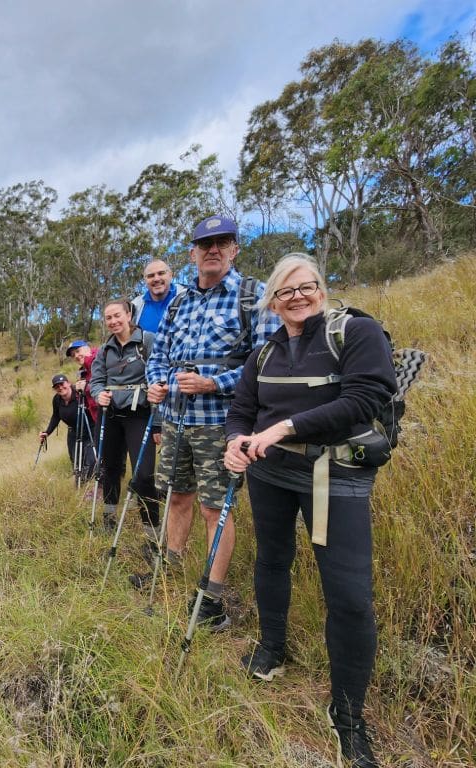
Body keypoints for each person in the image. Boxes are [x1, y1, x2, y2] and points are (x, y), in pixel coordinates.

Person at [224, 253, 395, 768]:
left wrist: (285, 429)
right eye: (285, 291)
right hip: (269, 474)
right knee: (272, 560)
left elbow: (366, 397)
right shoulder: (264, 354)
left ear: (321, 288)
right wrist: (235, 442)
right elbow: (242, 411)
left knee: (349, 595)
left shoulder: (356, 333)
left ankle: (347, 714)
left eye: (307, 286)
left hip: (336, 478)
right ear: (272, 302)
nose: (298, 297)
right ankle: (272, 649)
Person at [136, 214, 280, 632]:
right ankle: (170, 572)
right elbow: (159, 353)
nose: (213, 250)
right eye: (205, 244)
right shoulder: (179, 301)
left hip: (222, 425)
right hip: (177, 420)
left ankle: (211, 599)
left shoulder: (252, 295)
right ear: (193, 253)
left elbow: (265, 359)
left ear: (234, 249)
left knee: (213, 508)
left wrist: (215, 382)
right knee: (177, 496)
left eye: (222, 242)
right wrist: (157, 384)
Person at [89, 299, 157, 536]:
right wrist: (99, 395)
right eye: (108, 318)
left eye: (117, 315)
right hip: (110, 417)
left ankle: (152, 530)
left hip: (139, 415)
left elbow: (159, 373)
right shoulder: (104, 350)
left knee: (144, 474)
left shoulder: (147, 342)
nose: (113, 321)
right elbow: (95, 381)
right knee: (109, 469)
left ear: (129, 315)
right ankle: (108, 518)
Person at [39, 374, 96, 482]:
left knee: (91, 460)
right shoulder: (57, 399)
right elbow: (56, 416)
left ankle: (92, 485)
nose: (60, 388)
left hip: (90, 431)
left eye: (62, 384)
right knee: (76, 462)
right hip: (73, 433)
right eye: (56, 386)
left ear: (68, 383)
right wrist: (47, 432)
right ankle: (80, 484)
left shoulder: (80, 395)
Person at [132, 259, 185, 333]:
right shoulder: (135, 306)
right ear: (145, 280)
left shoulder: (188, 296)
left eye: (161, 273)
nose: (156, 279)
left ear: (170, 275)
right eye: (150, 276)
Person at [65, 339, 100, 425]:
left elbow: (107, 384)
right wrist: (78, 391)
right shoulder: (84, 372)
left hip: (112, 414)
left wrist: (86, 387)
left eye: (78, 351)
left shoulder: (100, 361)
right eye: (73, 355)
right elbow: (84, 399)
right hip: (98, 417)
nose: (76, 356)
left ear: (87, 348)